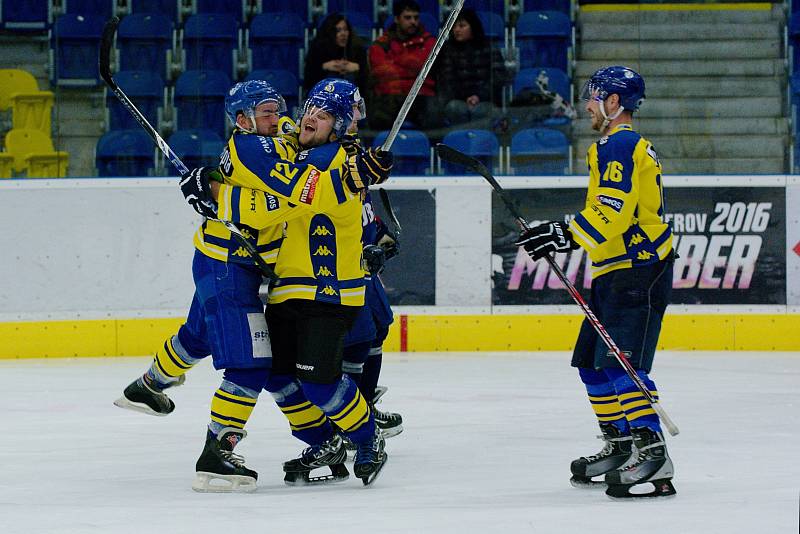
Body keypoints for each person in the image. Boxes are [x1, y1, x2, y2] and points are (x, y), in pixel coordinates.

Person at [204, 81, 394, 486]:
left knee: (320, 383)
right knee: (275, 373)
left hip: (327, 291)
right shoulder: (303, 148)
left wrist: (214, 190)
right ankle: (324, 441)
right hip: (288, 289)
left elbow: (306, 190)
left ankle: (366, 439)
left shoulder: (335, 158)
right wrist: (210, 179)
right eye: (309, 109)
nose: (308, 118)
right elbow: (276, 146)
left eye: (322, 116)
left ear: (339, 126)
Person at [114, 80, 297, 493]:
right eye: (266, 112)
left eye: (276, 109)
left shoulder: (273, 135)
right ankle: (217, 452)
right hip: (228, 266)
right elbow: (287, 201)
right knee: (252, 362)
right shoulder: (253, 146)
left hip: (222, 260)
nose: (277, 118)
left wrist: (213, 187)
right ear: (242, 120)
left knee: (197, 336)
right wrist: (216, 191)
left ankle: (148, 386)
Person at [514, 66, 676, 500]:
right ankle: (621, 445)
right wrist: (562, 231)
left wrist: (564, 233)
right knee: (592, 363)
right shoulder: (616, 145)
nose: (587, 106)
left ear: (613, 102)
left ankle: (652, 450)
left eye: (593, 97)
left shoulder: (618, 143)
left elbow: (615, 208)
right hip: (615, 268)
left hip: (638, 268)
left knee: (624, 365)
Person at [367, 0, 439, 130]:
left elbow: (424, 67)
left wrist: (394, 61)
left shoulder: (430, 41)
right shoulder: (382, 43)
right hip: (391, 95)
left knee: (434, 118)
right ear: (396, 19)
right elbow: (381, 72)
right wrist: (411, 65)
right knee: (377, 118)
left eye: (416, 18)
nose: (413, 22)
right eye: (407, 17)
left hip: (421, 95)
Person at [436, 8, 509, 125]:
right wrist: (466, 97)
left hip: (485, 100)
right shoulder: (447, 50)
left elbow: (498, 77)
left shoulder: (489, 47)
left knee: (483, 111)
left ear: (473, 27)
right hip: (458, 99)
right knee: (455, 109)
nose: (456, 30)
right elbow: (447, 80)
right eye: (454, 26)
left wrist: (478, 96)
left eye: (462, 26)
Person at [303, 13, 369, 93]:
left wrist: (357, 68)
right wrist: (324, 67)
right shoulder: (318, 49)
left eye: (345, 29)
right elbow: (308, 81)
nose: (343, 34)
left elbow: (367, 83)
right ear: (330, 32)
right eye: (338, 30)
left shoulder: (358, 49)